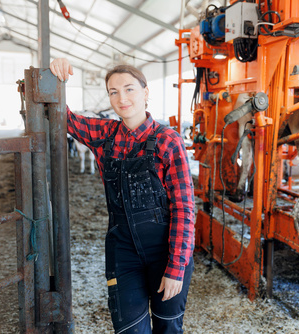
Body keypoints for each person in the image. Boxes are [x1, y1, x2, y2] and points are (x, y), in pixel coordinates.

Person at [50, 58, 195, 334]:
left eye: (129, 89)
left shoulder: (168, 140)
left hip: (165, 250)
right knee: (129, 329)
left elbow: (184, 208)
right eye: (113, 92)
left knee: (168, 327)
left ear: (145, 92)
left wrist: (176, 266)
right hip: (123, 251)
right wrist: (54, 76)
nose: (121, 98)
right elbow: (61, 116)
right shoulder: (105, 135)